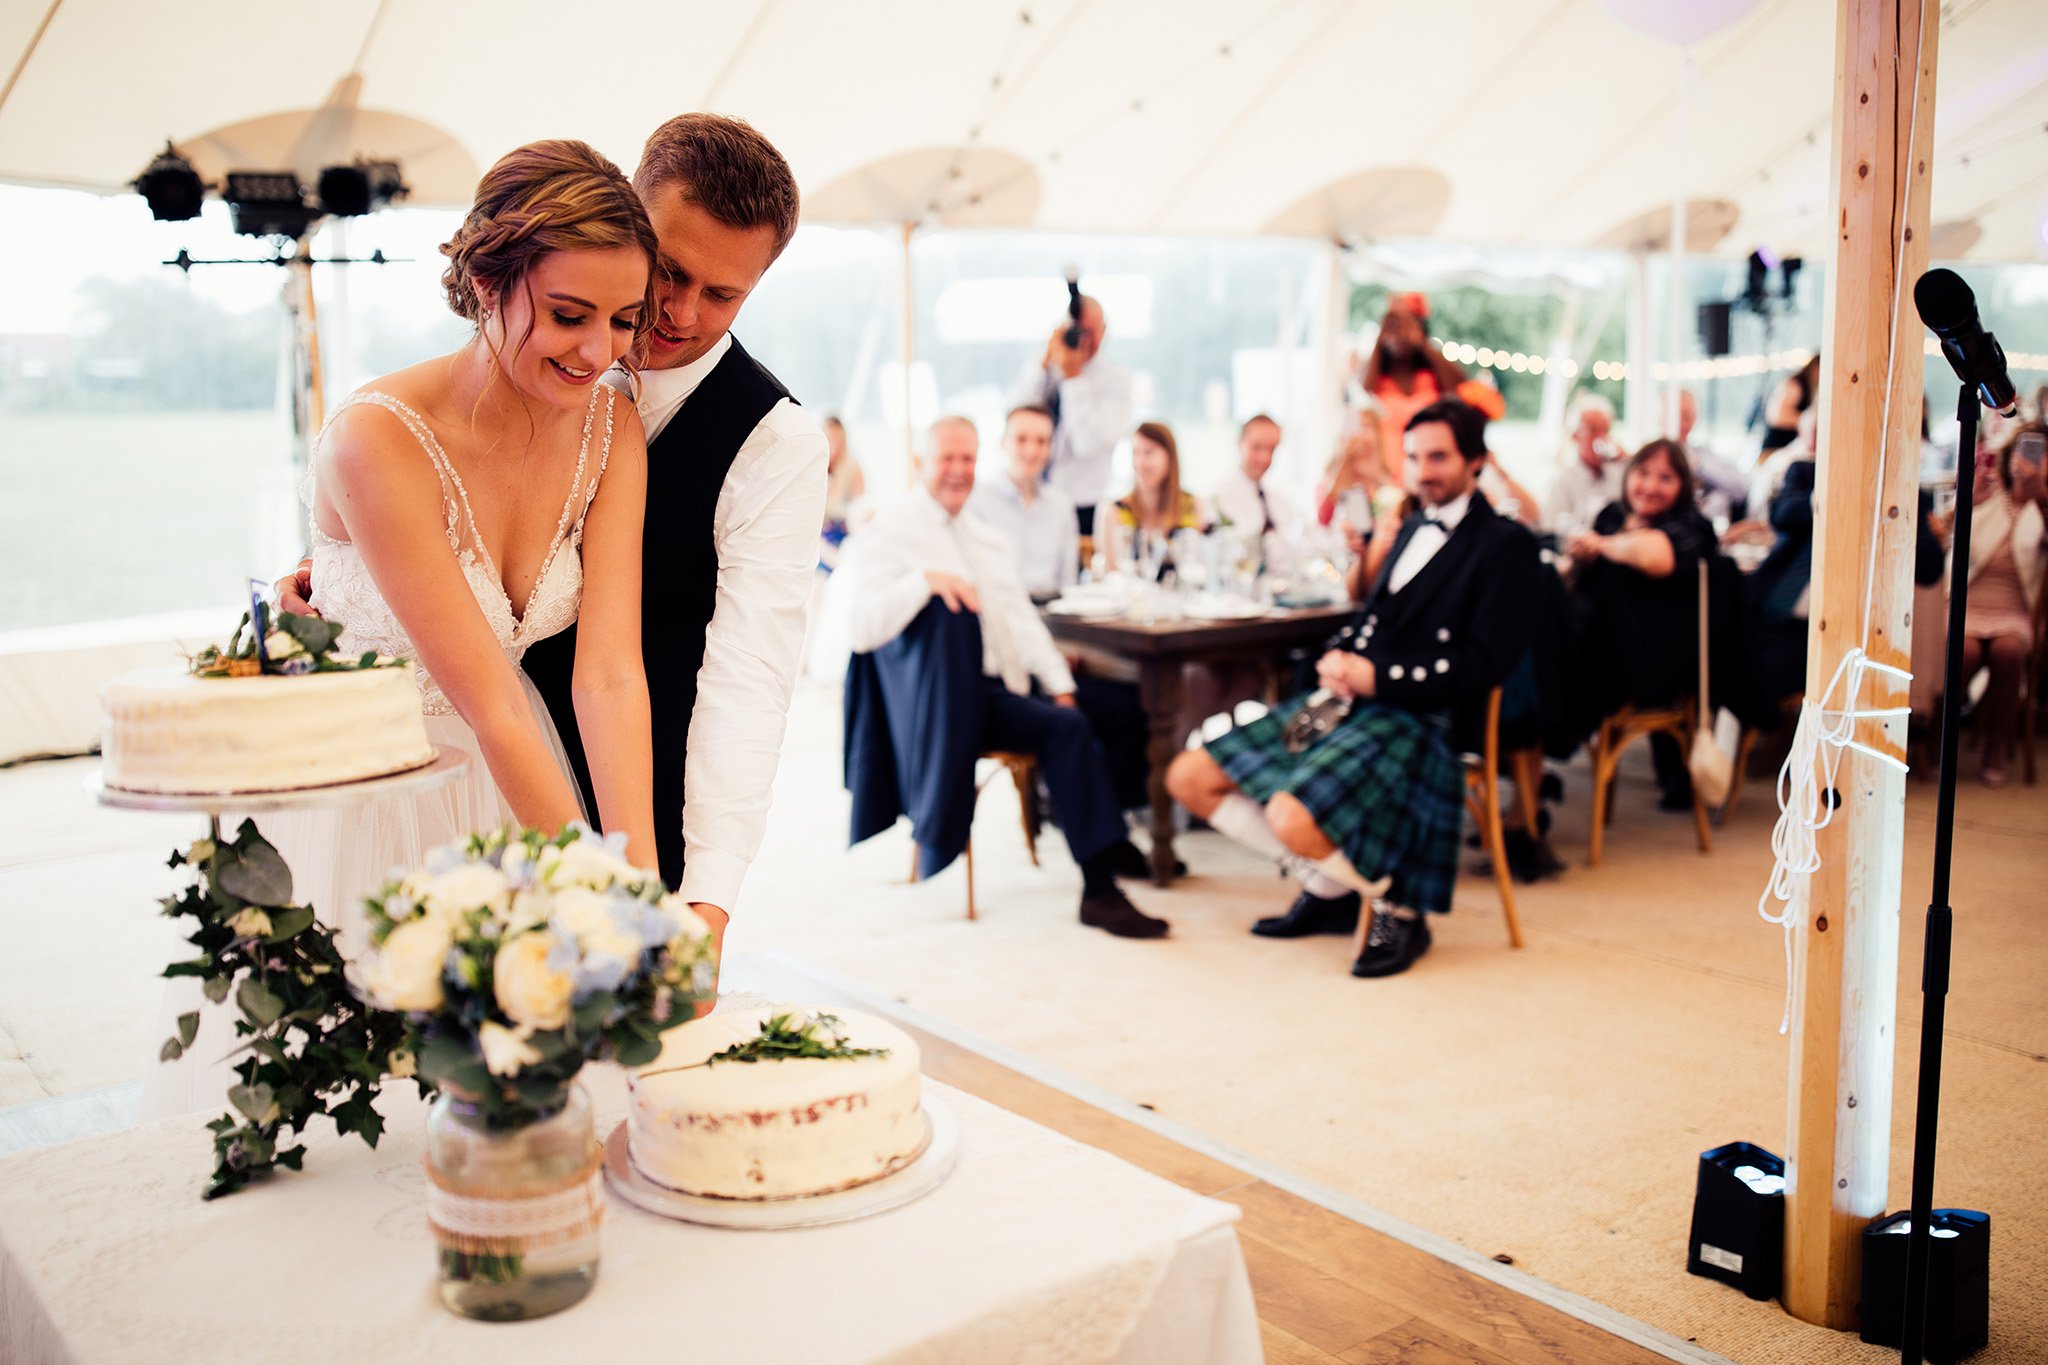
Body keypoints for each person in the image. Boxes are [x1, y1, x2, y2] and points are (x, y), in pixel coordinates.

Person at [148, 142, 662, 1123]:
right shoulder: (375, 439)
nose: (598, 351)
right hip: (362, 798)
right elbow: (484, 692)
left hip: (511, 779)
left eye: (622, 320)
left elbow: (607, 674)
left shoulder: (611, 431)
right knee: (356, 1111)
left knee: (525, 1112)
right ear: (482, 282)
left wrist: (631, 873)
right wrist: (592, 901)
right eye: (567, 314)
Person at [285, 114, 829, 963]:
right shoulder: (423, 413)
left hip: (611, 798)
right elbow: (418, 494)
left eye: (722, 295)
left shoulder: (727, 439)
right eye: (669, 277)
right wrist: (338, 572)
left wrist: (677, 896)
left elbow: (736, 679)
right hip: (394, 792)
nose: (674, 316)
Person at [1166, 399, 1542, 979]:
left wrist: (1381, 677)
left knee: (1292, 817)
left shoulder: (1506, 544)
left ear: (1477, 461)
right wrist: (1341, 658)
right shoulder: (1412, 524)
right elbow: (1377, 617)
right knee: (1188, 777)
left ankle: (1399, 904)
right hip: (1349, 705)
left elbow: (1486, 666)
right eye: (1414, 457)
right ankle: (1332, 884)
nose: (1423, 471)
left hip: (1423, 722)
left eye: (1438, 457)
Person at [843, 416, 1166, 937]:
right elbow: (861, 630)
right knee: (1066, 731)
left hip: (1007, 682)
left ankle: (1111, 837)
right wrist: (923, 583)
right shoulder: (892, 529)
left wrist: (1061, 685)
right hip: (952, 702)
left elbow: (1022, 621)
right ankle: (1100, 888)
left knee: (1124, 707)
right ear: (921, 462)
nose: (958, 470)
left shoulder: (985, 537)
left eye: (967, 459)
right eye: (947, 457)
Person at [1564, 438, 1721, 809]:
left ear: (1682, 486)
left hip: (1651, 662)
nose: (1650, 486)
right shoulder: (1611, 516)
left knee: (1548, 670)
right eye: (1643, 473)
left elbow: (1658, 555)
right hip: (1598, 643)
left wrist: (1601, 545)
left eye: (1665, 477)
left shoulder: (1691, 527)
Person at [1955, 422, 2047, 786]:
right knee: (1964, 654)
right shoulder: (1989, 495)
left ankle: (1996, 746)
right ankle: (1941, 734)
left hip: (2015, 610)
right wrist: (1968, 501)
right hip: (1970, 603)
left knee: (2009, 654)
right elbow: (1952, 542)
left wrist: (2040, 496)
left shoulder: (2043, 507)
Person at [1009, 294, 1134, 536]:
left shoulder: (1117, 380)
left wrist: (1074, 378)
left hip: (1083, 506)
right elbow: (1017, 417)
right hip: (1032, 498)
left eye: (1091, 332)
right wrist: (1043, 365)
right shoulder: (1047, 367)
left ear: (1104, 330)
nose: (1083, 340)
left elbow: (1088, 443)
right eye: (1077, 331)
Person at [966, 404, 1079, 596]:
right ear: (1003, 442)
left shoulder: (1061, 505)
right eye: (1021, 439)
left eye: (1041, 441)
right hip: (998, 614)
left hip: (1054, 617)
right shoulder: (976, 501)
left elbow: (1068, 582)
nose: (1031, 451)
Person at [1107, 421, 1206, 570]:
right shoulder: (1116, 511)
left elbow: (1199, 567)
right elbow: (1113, 574)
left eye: (1149, 452)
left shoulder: (1194, 506)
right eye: (1136, 453)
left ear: (1169, 457)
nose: (1140, 463)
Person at [1211, 414, 1296, 576]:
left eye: (1271, 449)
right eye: (1257, 447)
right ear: (1239, 443)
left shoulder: (1280, 501)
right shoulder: (1219, 498)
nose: (1265, 458)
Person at [1545, 393, 1625, 538]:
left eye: (1605, 430)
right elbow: (1551, 532)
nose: (1601, 437)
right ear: (1575, 436)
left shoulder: (1621, 473)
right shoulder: (1563, 482)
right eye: (1593, 430)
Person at [1677, 389, 1749, 524]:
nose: (1681, 423)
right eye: (1675, 416)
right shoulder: (1649, 458)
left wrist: (1699, 466)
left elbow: (1741, 489)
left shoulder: (1701, 455)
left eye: (1687, 416)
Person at [819, 415, 866, 573]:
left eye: (838, 440)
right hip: (819, 539)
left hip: (846, 534)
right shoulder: (813, 470)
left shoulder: (853, 468)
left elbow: (860, 508)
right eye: (829, 439)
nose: (834, 446)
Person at [1759, 353, 1820, 455]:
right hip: (1774, 449)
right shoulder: (1796, 386)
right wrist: (1807, 420)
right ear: (1815, 369)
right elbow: (1777, 417)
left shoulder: (1803, 386)